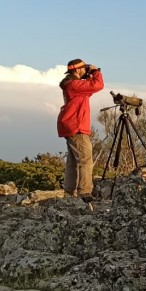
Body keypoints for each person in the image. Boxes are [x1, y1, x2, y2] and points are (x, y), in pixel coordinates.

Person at [57, 58, 104, 201]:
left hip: (70, 125)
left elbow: (90, 89)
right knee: (85, 160)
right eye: (84, 68)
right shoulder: (75, 85)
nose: (86, 70)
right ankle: (85, 193)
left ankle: (69, 192)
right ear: (77, 70)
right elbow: (97, 85)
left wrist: (90, 75)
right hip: (76, 126)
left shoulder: (73, 85)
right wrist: (95, 72)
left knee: (72, 161)